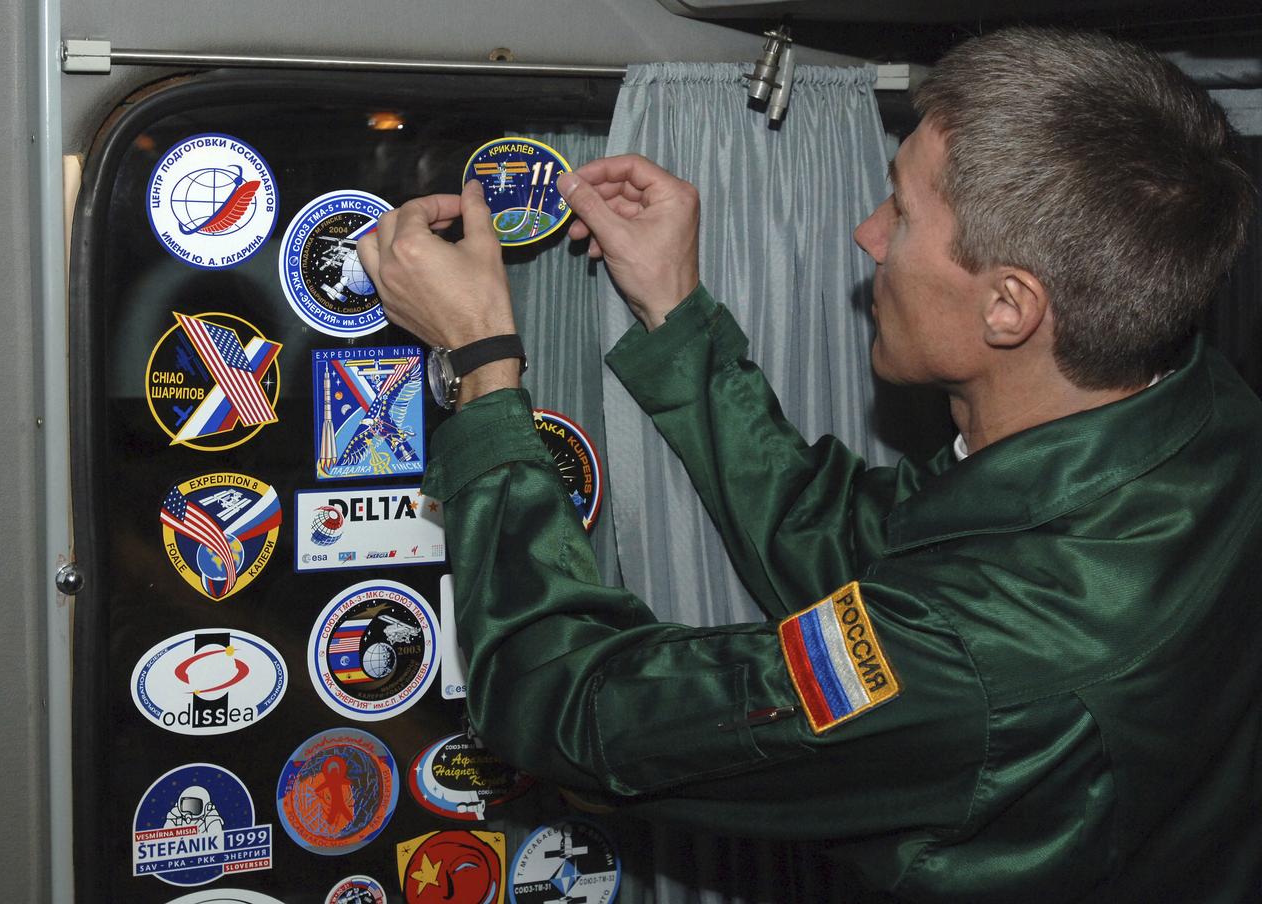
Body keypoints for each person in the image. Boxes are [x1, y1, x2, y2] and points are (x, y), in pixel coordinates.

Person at [357, 27, 1262, 902]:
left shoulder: (975, 662)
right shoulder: (1200, 417)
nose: (868, 236)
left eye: (902, 212)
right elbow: (846, 539)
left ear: (1008, 308)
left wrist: (482, 358)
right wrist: (676, 312)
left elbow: (569, 710)